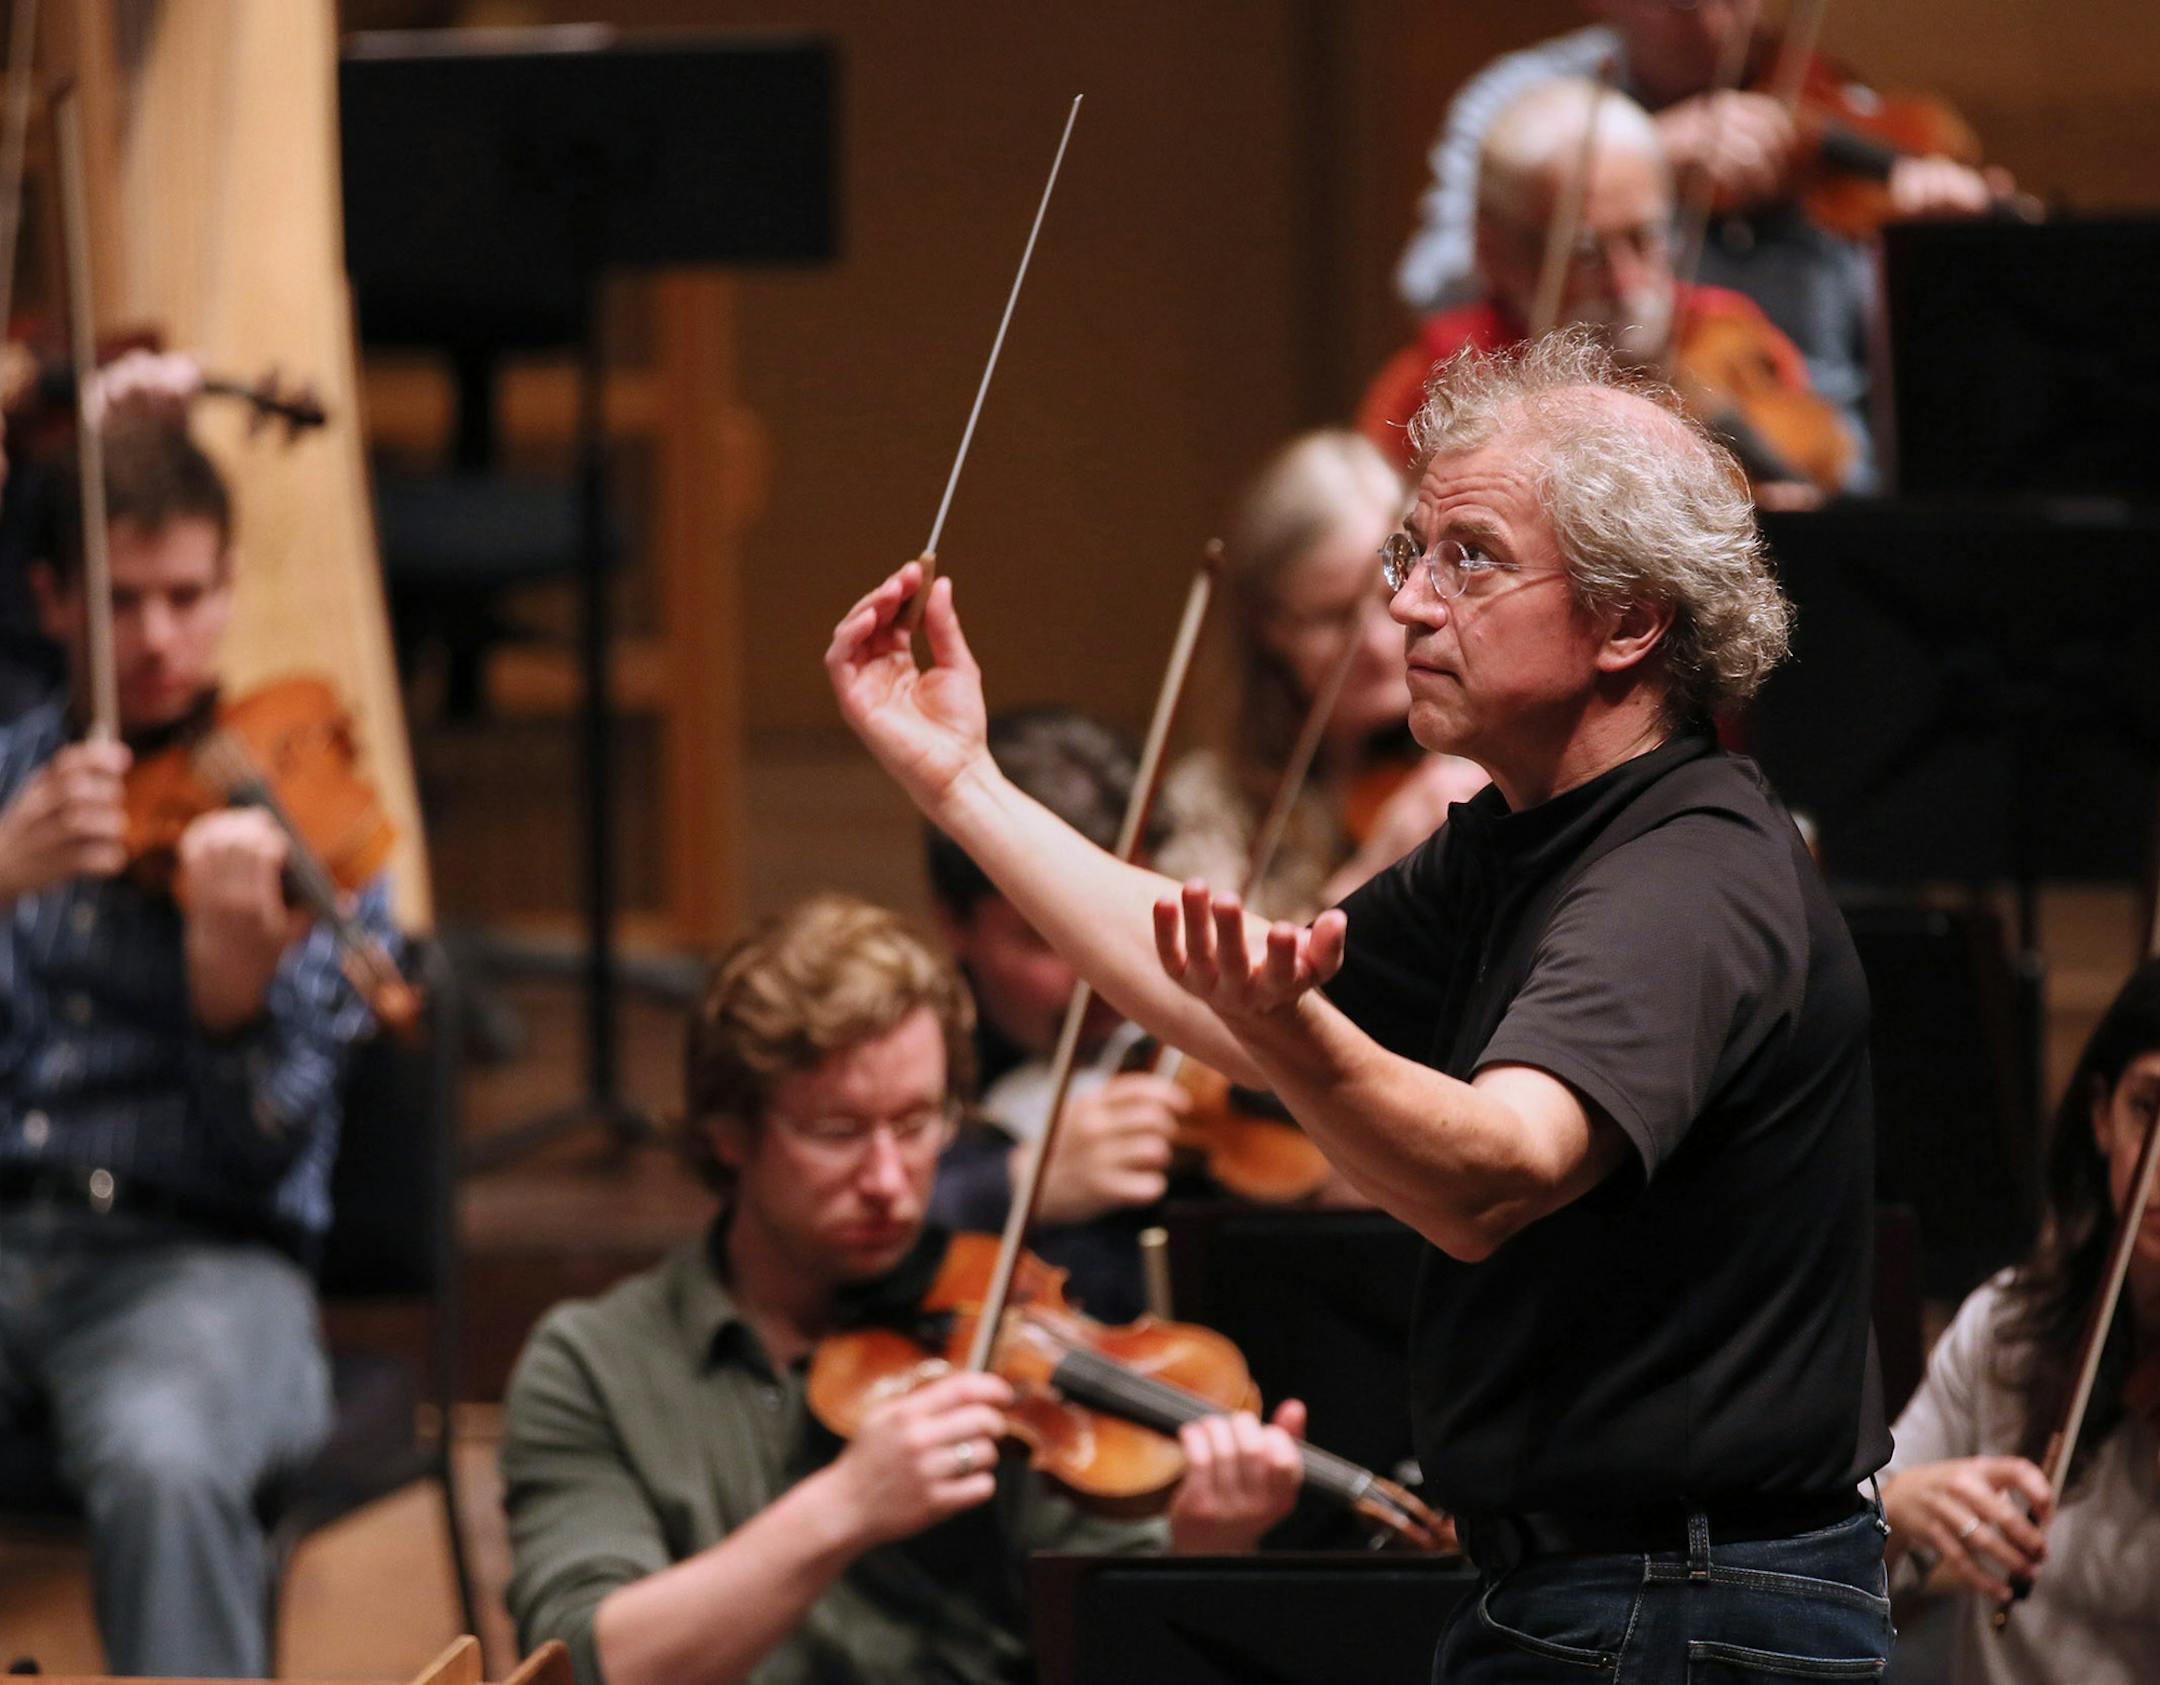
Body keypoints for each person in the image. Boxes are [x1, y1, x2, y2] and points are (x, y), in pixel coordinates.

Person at [829, 330, 1891, 1680]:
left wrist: (1289, 1027)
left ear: (1630, 622)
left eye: (1472, 560)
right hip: (1607, 1589)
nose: (1407, 611)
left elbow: (1493, 1172)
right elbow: (1227, 994)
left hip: (1678, 1609)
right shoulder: (1529, 835)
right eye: (1413, 555)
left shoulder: (1681, 880)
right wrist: (959, 781)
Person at [500, 893, 1305, 1685]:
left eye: (918, 1123)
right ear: (728, 1131)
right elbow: (587, 1664)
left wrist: (1205, 1544)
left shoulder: (999, 1319)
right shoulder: (591, 1362)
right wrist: (845, 1506)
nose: (889, 1179)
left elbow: (1108, 1632)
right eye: (838, 1132)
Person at [0, 414, 392, 1674]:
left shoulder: (294, 809)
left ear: (228, 593)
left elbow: (273, 1148)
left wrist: (232, 1005)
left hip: (199, 1263)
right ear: (53, 598)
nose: (160, 638)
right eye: (122, 600)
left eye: (187, 596)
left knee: (163, 1459)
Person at [1391, 0, 1999, 459]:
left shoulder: (1836, 103)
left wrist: (1932, 260)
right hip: (1600, 432)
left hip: (1829, 459)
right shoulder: (1526, 94)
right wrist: (1642, 158)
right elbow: (1436, 280)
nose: (1717, 19)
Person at [1358, 77, 1853, 505]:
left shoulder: (1734, 336)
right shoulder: (1436, 382)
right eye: (1587, 253)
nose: (1627, 283)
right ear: (1496, 255)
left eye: (1644, 238)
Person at [1878, 957, 2160, 1685]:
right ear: (2101, 1115)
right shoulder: (2008, 1326)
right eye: (2149, 1106)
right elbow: (1840, 1569)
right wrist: (1901, 1507)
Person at [927, 706, 1195, 1324]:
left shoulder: (1192, 1029)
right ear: (953, 921)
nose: (1104, 971)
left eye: (1124, 917)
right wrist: (1019, 1183)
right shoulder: (912, 1054)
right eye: (1047, 935)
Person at [1155, 430, 1485, 923]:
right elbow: (1215, 992)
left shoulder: (1485, 757)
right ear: (1269, 625)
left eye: (1388, 594)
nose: (1376, 643)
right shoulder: (1212, 804)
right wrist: (1372, 869)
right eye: (1334, 618)